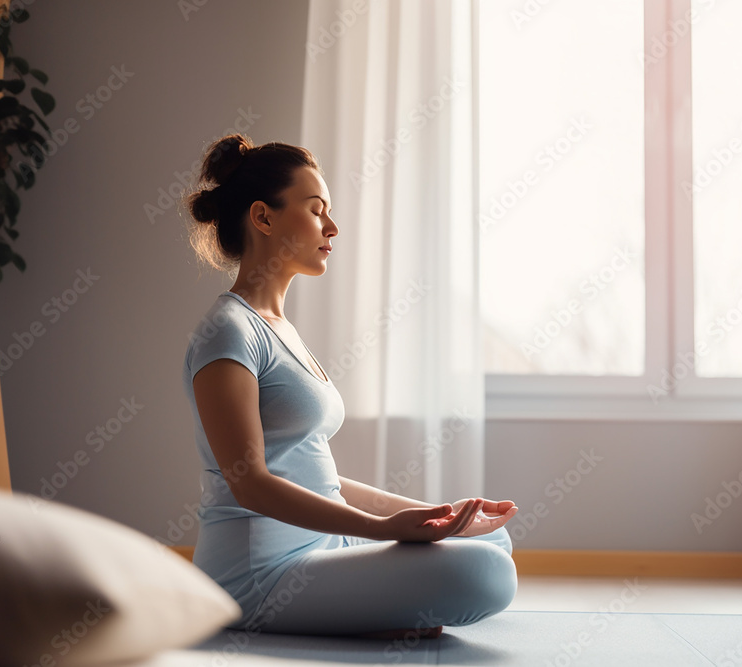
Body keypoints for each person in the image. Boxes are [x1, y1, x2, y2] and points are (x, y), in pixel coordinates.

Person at [181, 134, 519, 639]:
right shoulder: (228, 331)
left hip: (322, 547)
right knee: (482, 572)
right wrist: (385, 531)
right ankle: (401, 606)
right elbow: (248, 482)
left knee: (493, 544)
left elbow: (323, 479)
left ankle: (398, 604)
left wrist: (430, 514)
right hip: (259, 576)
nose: (332, 228)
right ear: (264, 218)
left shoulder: (279, 328)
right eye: (316, 211)